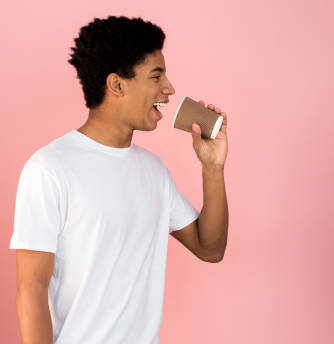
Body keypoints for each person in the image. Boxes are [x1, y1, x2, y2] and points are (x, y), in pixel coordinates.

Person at [10, 16, 229, 344]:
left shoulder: (154, 171)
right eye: (157, 76)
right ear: (116, 84)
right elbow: (31, 290)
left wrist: (213, 169)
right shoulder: (49, 169)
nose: (169, 89)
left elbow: (210, 249)